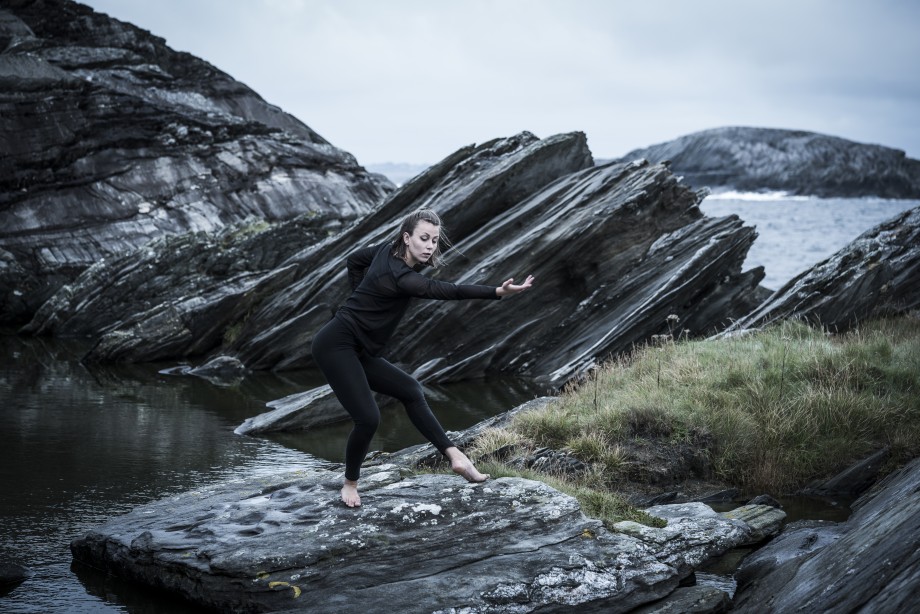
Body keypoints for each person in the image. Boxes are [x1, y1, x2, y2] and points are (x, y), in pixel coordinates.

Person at [311, 208, 534, 507]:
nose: (430, 246)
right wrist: (497, 292)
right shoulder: (403, 278)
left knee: (411, 391)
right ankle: (350, 483)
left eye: (435, 240)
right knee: (368, 418)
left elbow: (354, 260)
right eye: (424, 238)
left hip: (357, 348)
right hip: (334, 345)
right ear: (407, 237)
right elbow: (450, 291)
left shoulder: (385, 251)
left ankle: (455, 457)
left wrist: (360, 294)